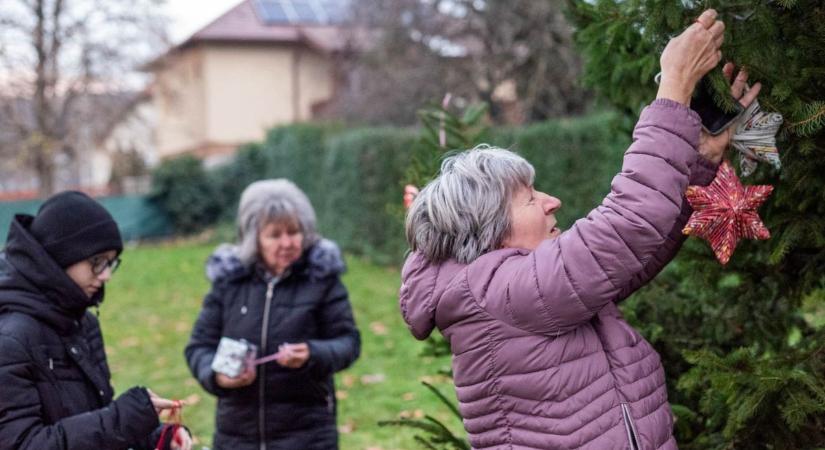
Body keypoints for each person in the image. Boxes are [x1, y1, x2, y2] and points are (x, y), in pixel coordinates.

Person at [400, 10, 761, 450]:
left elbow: (632, 257)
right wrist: (673, 88)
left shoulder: (528, 288)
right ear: (491, 229)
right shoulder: (498, 292)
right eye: (531, 198)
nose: (553, 202)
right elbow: (627, 224)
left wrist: (699, 159)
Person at [0, 191, 192, 450]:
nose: (106, 276)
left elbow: (94, 420)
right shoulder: (11, 339)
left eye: (111, 263)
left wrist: (156, 437)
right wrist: (123, 419)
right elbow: (22, 444)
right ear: (59, 257)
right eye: (97, 262)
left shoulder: (82, 322)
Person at [185, 179, 361, 450]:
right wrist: (217, 376)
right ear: (254, 238)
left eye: (294, 232)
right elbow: (199, 346)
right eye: (274, 234)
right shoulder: (229, 281)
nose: (287, 243)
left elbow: (348, 343)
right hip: (237, 435)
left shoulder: (322, 279)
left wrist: (312, 354)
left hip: (307, 434)